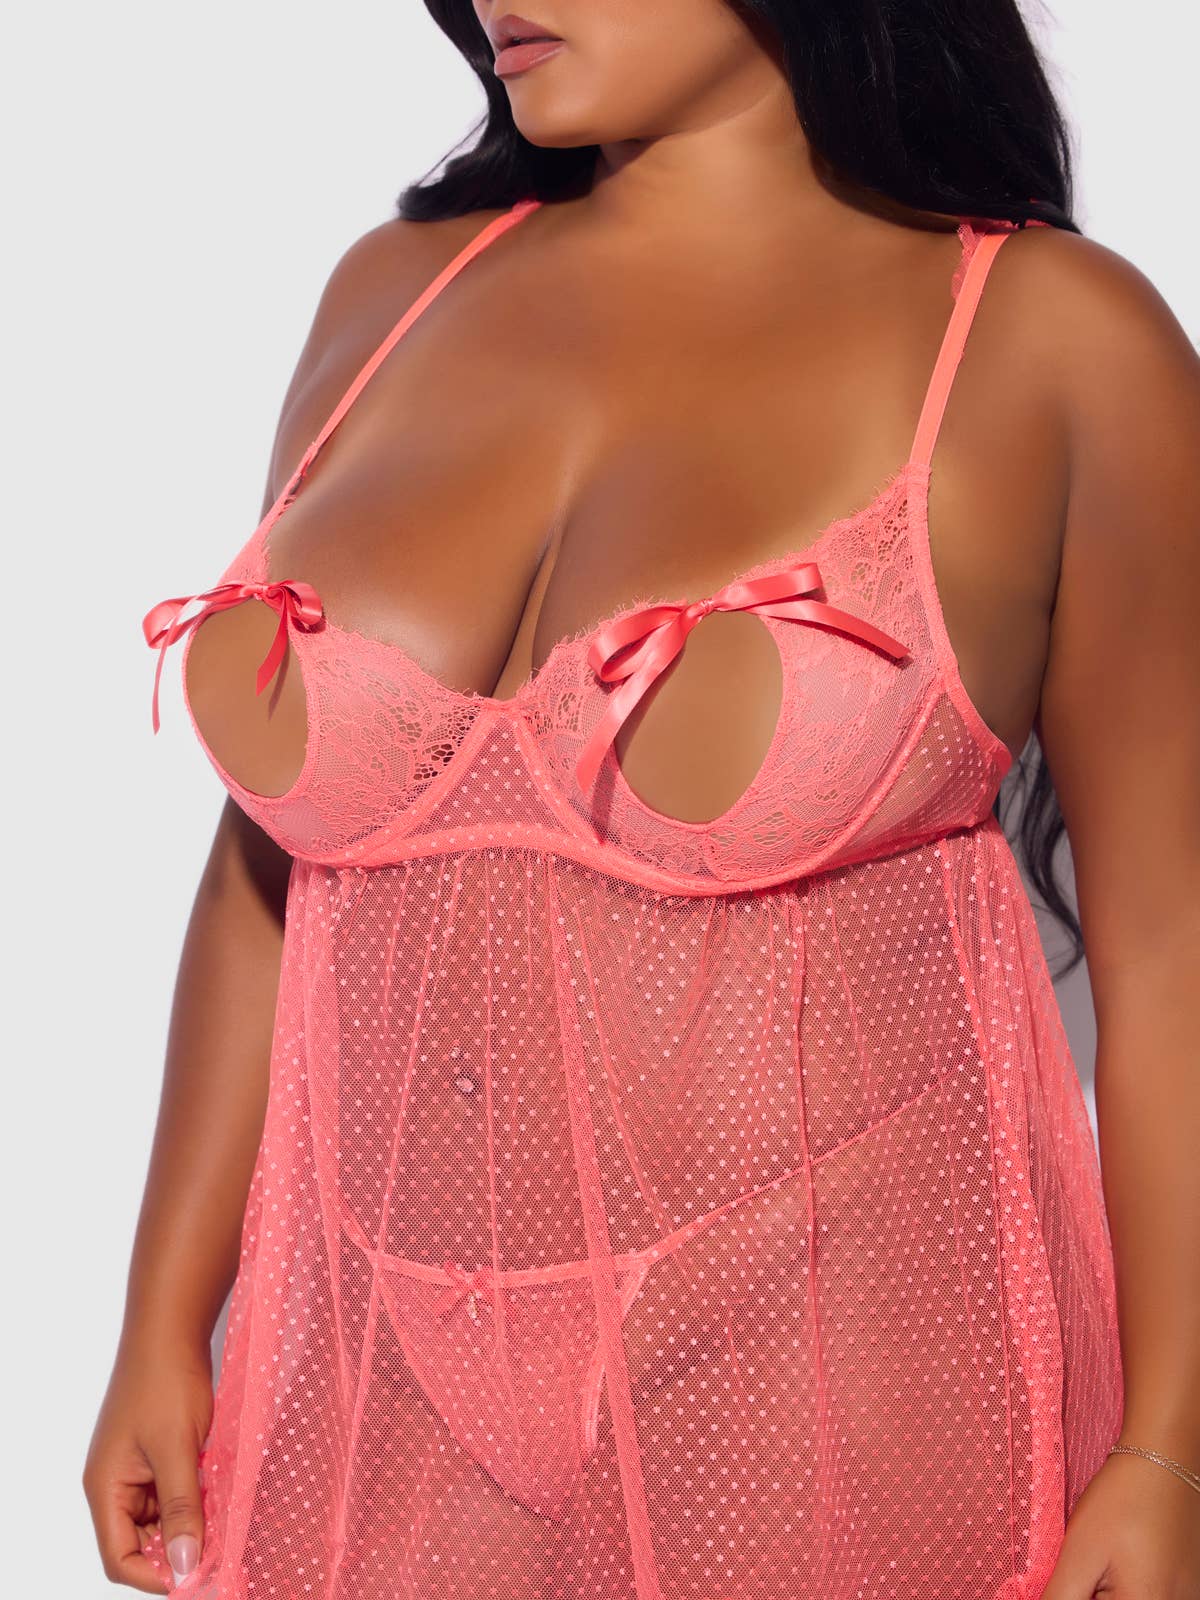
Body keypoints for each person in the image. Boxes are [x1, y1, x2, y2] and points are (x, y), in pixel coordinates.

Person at [84, 2, 1200, 1596]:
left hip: (838, 1369)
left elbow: (1173, 958)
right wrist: (160, 1318)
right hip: (376, 1386)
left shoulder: (1050, 343)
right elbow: (268, 881)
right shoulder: (391, 300)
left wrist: (1170, 1449)